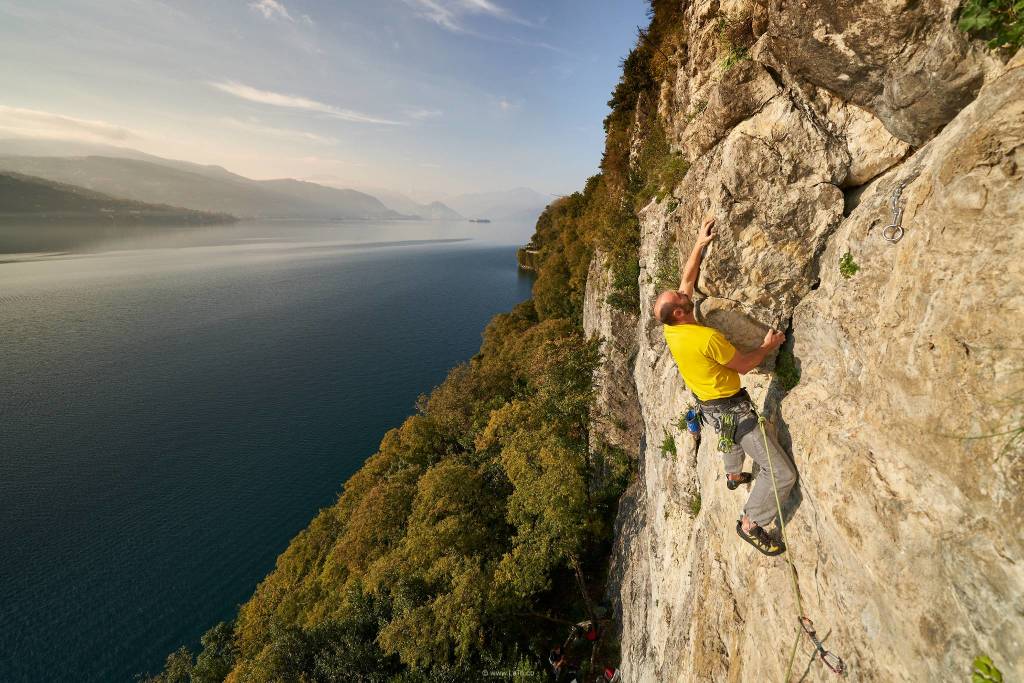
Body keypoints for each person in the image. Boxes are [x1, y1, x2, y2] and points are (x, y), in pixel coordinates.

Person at [653, 214, 797, 555]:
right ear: (679, 311)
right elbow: (746, 365)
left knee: (726, 433)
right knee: (780, 473)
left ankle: (733, 476)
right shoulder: (705, 338)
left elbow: (686, 281)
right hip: (732, 405)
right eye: (679, 296)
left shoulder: (672, 328)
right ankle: (751, 523)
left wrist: (700, 246)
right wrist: (770, 344)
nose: (683, 291)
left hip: (709, 405)